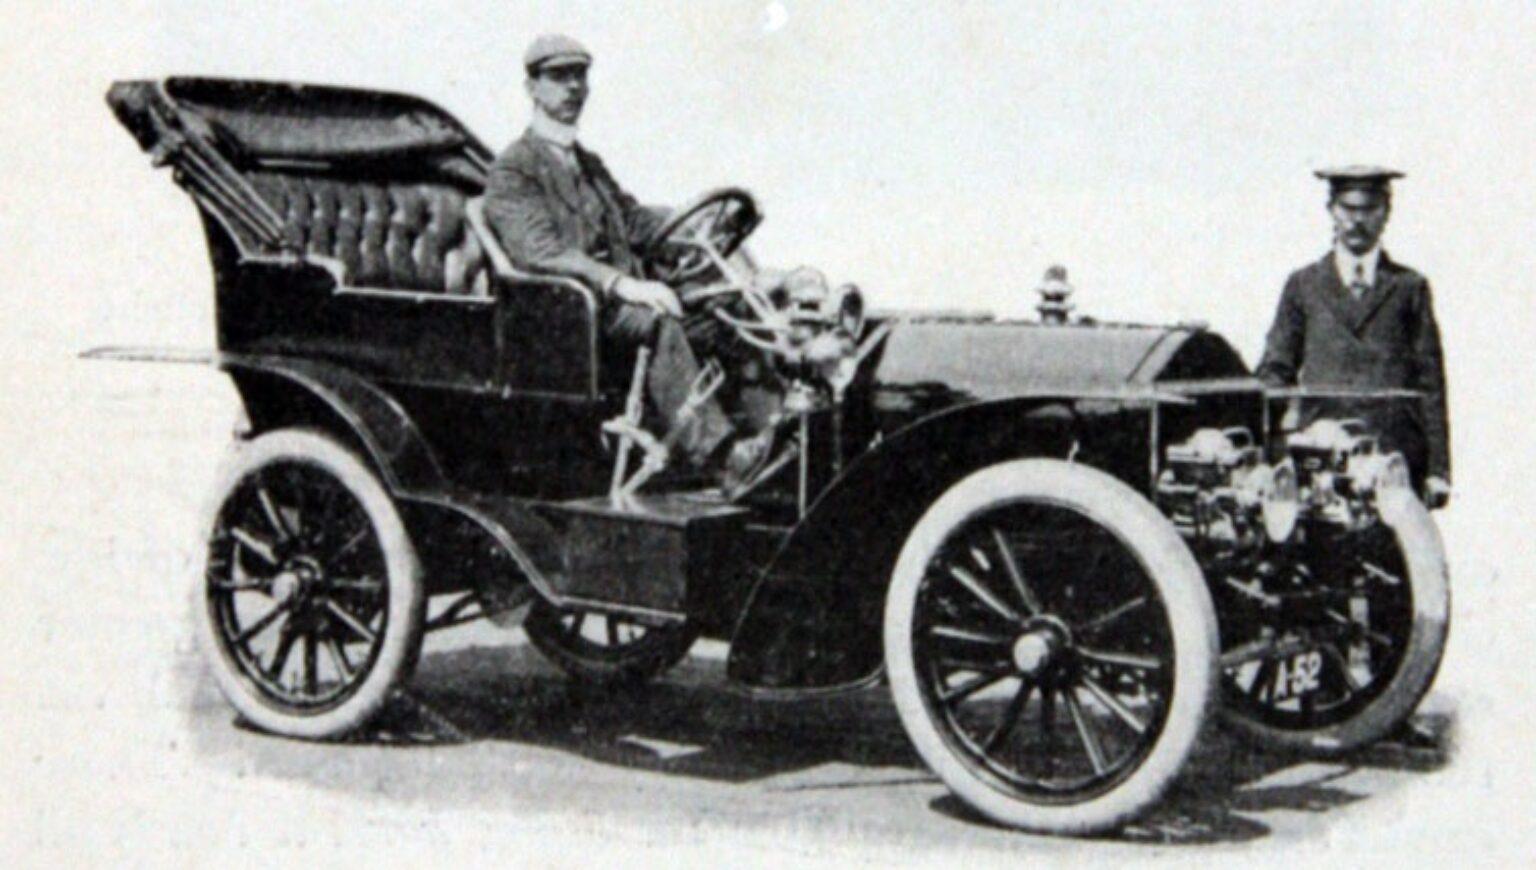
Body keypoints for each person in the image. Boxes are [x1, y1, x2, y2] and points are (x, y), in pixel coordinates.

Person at [483, 34, 771, 485]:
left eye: (580, 76)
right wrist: (623, 284)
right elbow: (540, 252)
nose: (574, 87)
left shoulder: (589, 164)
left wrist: (698, 227)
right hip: (570, 317)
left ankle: (770, 434)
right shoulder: (513, 169)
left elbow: (632, 220)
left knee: (727, 310)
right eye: (559, 77)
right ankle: (722, 458)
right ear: (531, 88)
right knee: (657, 321)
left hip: (612, 306)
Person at [1256, 166, 1451, 510]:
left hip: (1394, 465)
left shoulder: (1409, 288)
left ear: (1387, 212)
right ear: (1331, 210)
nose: (1357, 220)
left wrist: (1438, 470)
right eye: (1348, 209)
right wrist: (1263, 453)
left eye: (1369, 209)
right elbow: (1276, 370)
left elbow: (1430, 383)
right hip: (1319, 461)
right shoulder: (1304, 285)